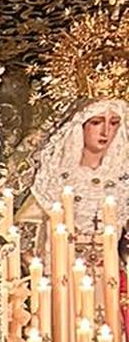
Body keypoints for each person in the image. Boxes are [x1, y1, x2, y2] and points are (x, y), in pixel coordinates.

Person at [27, 96, 129, 237]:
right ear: (79, 125)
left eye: (114, 123)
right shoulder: (52, 180)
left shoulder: (123, 180)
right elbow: (24, 236)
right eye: (96, 122)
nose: (106, 131)